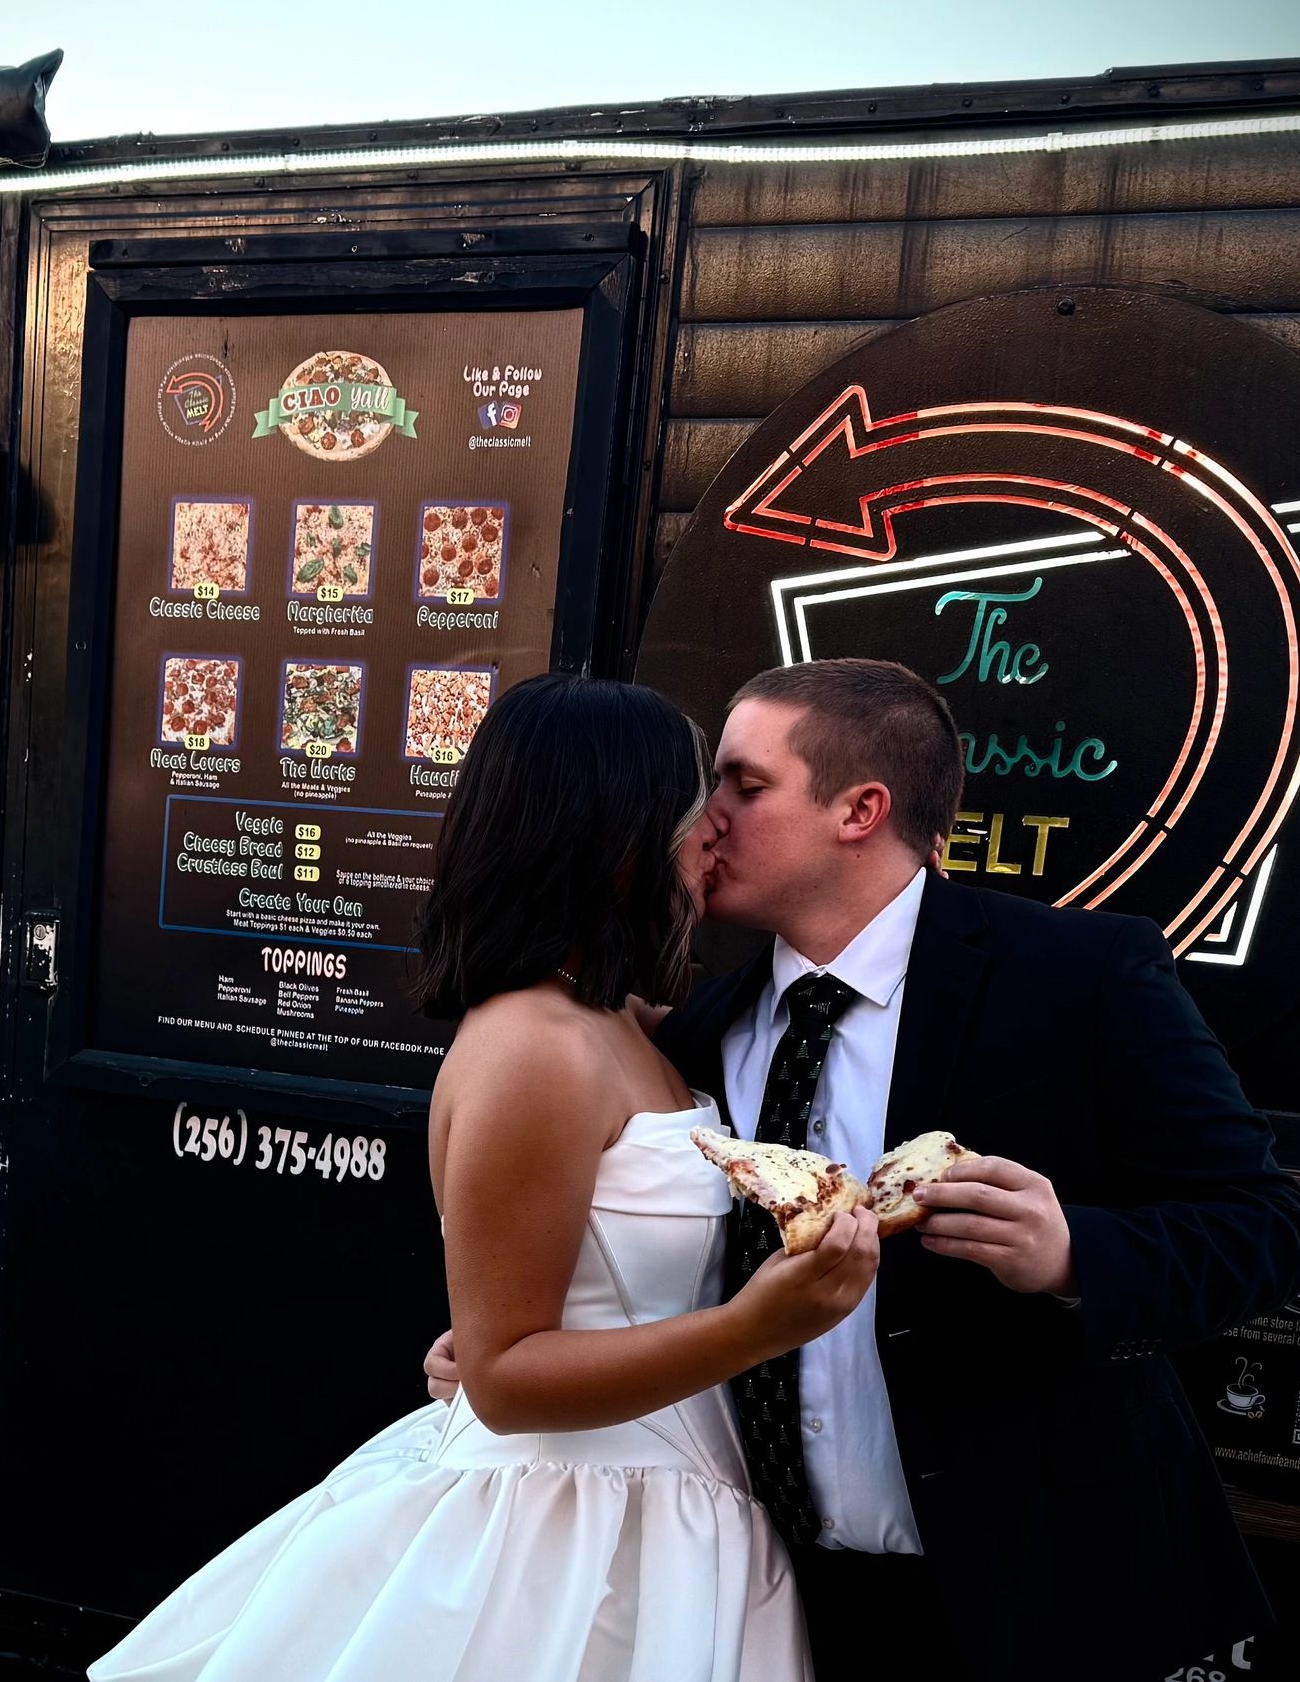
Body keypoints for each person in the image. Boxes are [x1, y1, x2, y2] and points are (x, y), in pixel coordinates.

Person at [425, 658, 1300, 1678]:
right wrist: (508, 1353)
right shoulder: (695, 1027)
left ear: (860, 808)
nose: (705, 817)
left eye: (742, 785)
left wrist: (1075, 1253)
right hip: (766, 1594)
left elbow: (1267, 1230)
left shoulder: (1080, 977)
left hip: (1033, 1591)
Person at [89, 673, 874, 1681]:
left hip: (671, 1500)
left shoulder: (622, 1022)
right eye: (692, 810)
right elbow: (504, 1379)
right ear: (614, 835)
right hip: (557, 1537)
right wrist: (761, 1326)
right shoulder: (532, 1047)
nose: (715, 833)